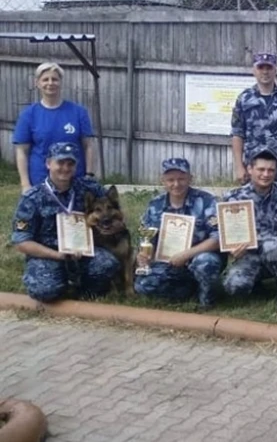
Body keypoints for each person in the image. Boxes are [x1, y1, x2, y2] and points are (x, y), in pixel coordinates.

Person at [10, 142, 119, 302]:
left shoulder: (88, 188)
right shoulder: (32, 198)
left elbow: (112, 207)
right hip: (48, 255)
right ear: (48, 163)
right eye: (60, 162)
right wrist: (59, 255)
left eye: (70, 164)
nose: (65, 168)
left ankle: (83, 290)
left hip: (83, 252)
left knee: (108, 264)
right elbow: (21, 242)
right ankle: (62, 284)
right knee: (44, 290)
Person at [134, 158, 225, 311]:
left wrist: (187, 254)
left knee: (205, 262)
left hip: (200, 257)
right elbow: (147, 238)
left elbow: (218, 238)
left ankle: (207, 299)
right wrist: (144, 255)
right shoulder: (155, 204)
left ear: (190, 178)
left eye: (181, 179)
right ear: (162, 181)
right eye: (170, 180)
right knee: (142, 285)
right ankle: (187, 289)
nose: (176, 184)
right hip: (168, 260)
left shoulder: (207, 201)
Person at [221, 148, 277, 310]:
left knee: (273, 245)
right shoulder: (233, 198)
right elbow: (224, 233)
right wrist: (231, 249)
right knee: (233, 287)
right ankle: (256, 284)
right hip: (249, 254)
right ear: (250, 169)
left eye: (271, 170)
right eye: (261, 169)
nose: (266, 174)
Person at [13, 62, 96, 192]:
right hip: (40, 181)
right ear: (38, 83)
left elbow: (88, 146)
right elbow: (22, 151)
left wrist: (89, 175)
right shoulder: (28, 115)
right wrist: (25, 184)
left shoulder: (79, 112)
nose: (50, 83)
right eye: (45, 79)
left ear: (60, 82)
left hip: (75, 181)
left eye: (54, 79)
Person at [230, 51, 277, 187]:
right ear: (254, 70)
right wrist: (239, 166)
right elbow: (237, 134)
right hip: (254, 167)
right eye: (261, 68)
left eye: (269, 68)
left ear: (275, 70)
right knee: (254, 204)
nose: (265, 72)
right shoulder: (244, 99)